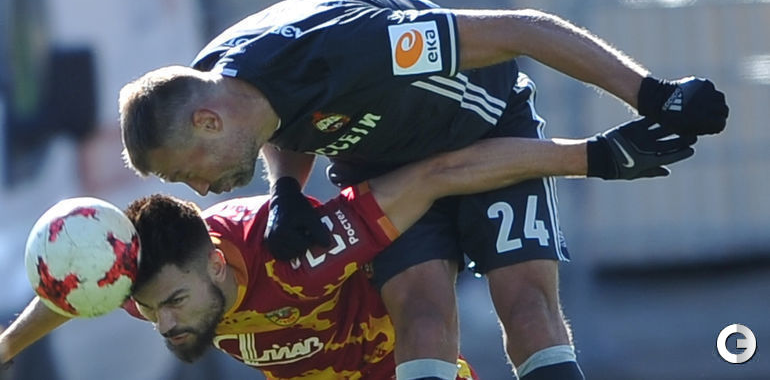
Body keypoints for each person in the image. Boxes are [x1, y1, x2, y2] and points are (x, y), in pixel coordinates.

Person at [118, 0, 728, 379]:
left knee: (527, 309)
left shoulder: (354, 50)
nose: (199, 190)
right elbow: (275, 116)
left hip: (487, 128)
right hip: (381, 164)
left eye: (185, 170)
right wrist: (286, 189)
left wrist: (652, 94)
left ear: (207, 122)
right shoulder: (222, 86)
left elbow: (522, 30)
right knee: (421, 319)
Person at [0, 118, 695, 379]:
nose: (165, 324)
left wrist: (593, 156)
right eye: (152, 311)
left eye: (175, 304)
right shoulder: (155, 286)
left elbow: (440, 173)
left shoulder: (301, 247)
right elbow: (74, 294)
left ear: (215, 261)